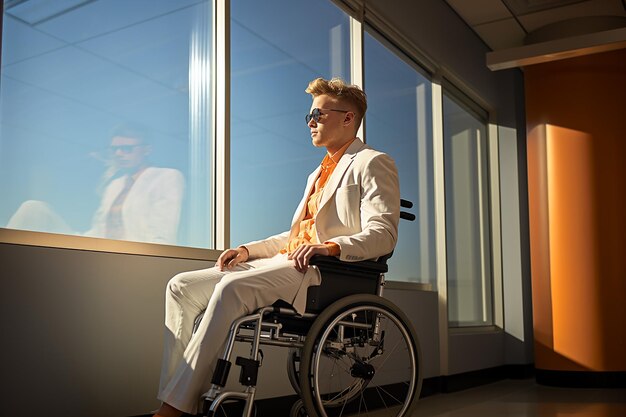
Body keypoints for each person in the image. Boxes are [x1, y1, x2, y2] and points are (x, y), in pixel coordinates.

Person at [154, 77, 400, 417]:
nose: (311, 122)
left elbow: (383, 233)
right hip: (286, 262)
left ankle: (173, 409)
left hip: (320, 272)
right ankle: (184, 399)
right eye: (308, 116)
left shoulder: (372, 162)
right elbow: (294, 235)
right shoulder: (317, 173)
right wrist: (246, 251)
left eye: (318, 114)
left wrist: (330, 247)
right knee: (181, 287)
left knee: (229, 288)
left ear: (348, 118)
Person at [6, 126, 184, 245]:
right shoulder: (114, 185)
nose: (119, 154)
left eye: (127, 149)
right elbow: (99, 228)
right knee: (33, 208)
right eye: (114, 149)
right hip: (100, 247)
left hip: (135, 253)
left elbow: (163, 233)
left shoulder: (166, 177)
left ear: (146, 149)